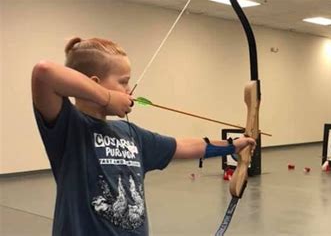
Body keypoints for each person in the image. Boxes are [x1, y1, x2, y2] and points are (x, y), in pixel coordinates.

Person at [31, 37, 256, 236]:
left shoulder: (130, 133)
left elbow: (182, 146)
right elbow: (44, 72)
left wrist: (232, 146)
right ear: (94, 83)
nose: (129, 90)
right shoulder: (70, 128)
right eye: (123, 81)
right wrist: (108, 98)